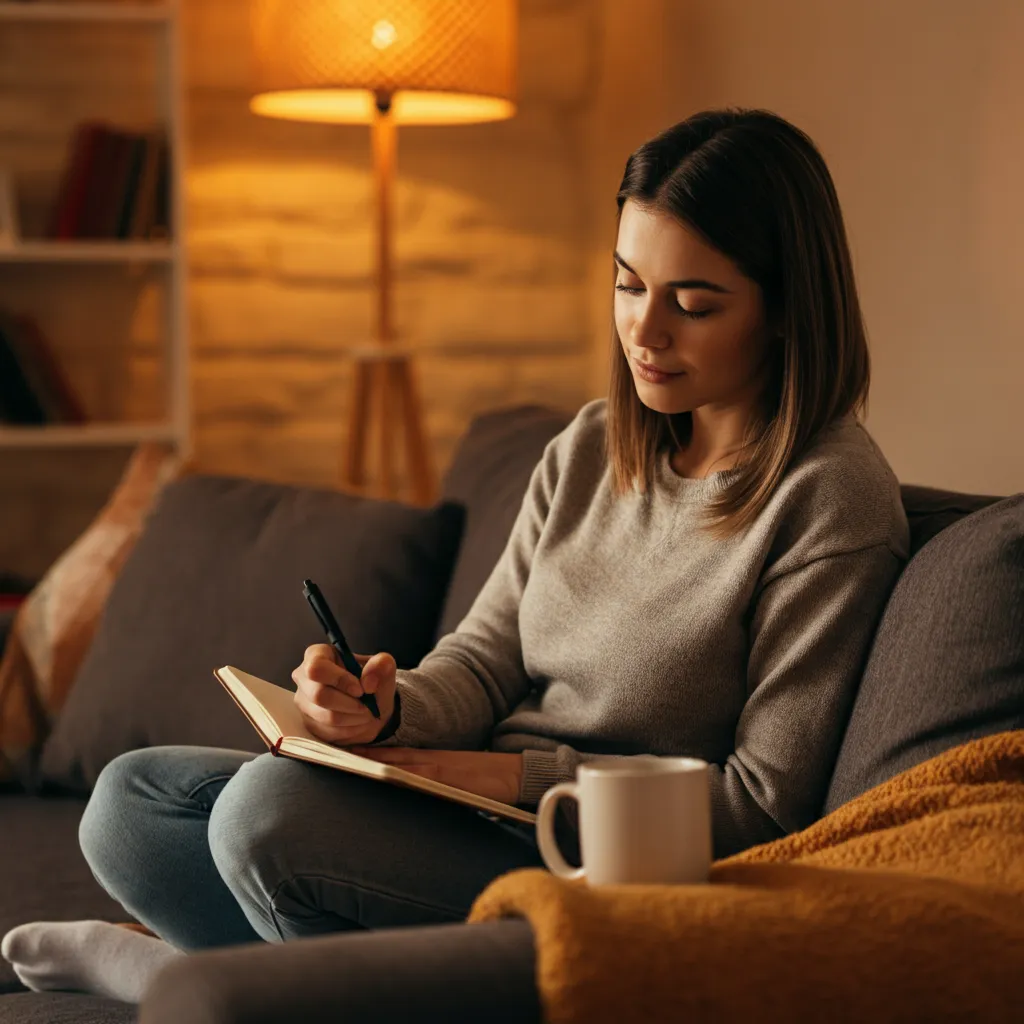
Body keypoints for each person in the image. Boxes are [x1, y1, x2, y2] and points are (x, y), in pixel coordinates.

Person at [1, 107, 909, 1005]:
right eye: (629, 285)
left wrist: (506, 777)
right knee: (132, 803)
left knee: (262, 817)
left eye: (694, 303)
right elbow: (484, 657)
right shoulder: (591, 447)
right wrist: (385, 712)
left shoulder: (828, 497)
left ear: (788, 309)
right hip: (470, 813)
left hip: (589, 863)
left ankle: (197, 979)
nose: (645, 332)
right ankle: (229, 985)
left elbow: (764, 805)